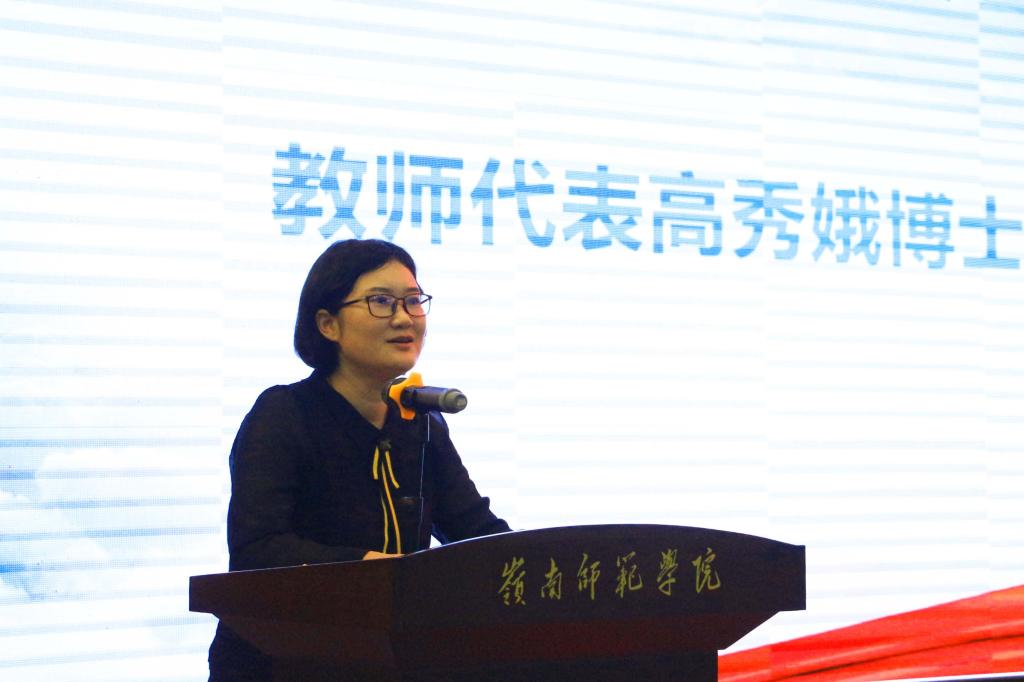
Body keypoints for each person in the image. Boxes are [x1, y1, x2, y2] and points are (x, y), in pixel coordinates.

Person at [208, 239, 510, 680]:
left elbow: (475, 530)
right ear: (328, 324)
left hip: (391, 659)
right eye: (381, 302)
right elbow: (259, 549)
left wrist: (535, 566)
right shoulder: (284, 414)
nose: (404, 317)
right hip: (284, 662)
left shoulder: (421, 422)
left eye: (413, 301)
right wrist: (368, 567)